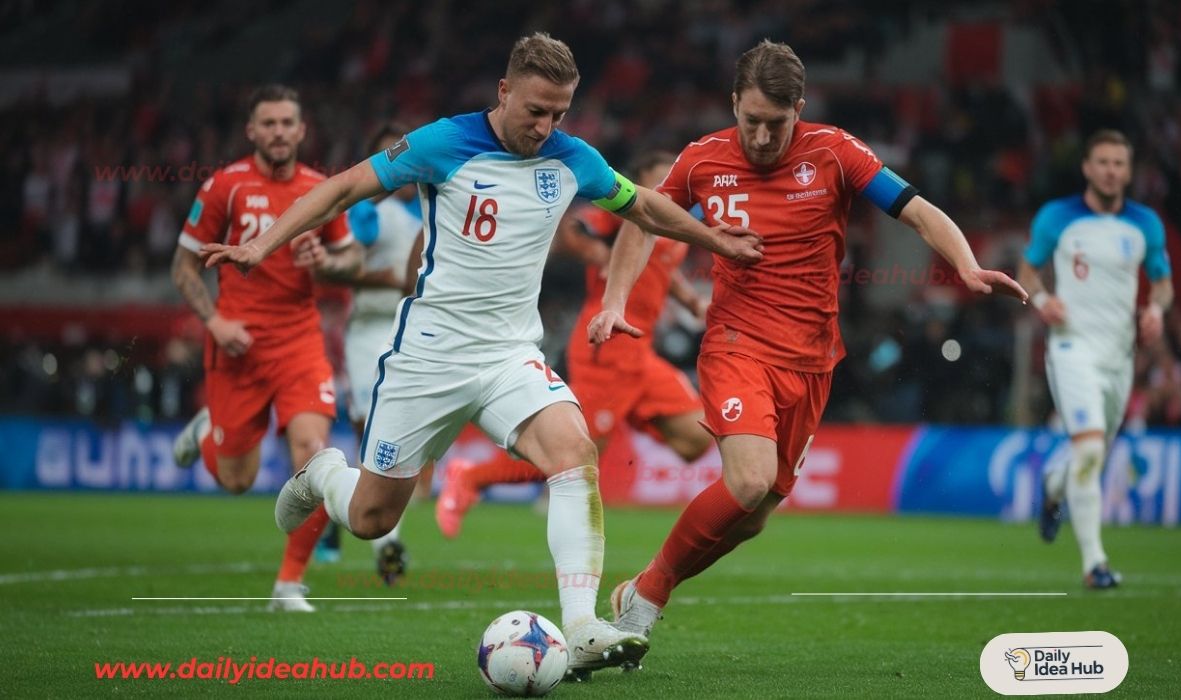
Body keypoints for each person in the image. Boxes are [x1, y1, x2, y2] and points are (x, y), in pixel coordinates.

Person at [200, 33, 763, 675]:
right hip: (428, 358)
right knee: (372, 519)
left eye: (559, 113)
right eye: (535, 111)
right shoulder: (443, 143)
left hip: (509, 354)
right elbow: (341, 189)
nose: (546, 126)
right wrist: (261, 245)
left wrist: (715, 239)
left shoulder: (572, 158)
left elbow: (647, 207)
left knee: (574, 452)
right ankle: (325, 475)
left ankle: (581, 627)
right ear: (503, 91)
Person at [589, 39, 1027, 651]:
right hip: (737, 343)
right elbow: (644, 220)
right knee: (746, 482)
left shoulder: (835, 152)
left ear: (800, 106)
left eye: (777, 123)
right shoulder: (702, 159)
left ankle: (641, 588)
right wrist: (614, 303)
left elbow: (918, 211)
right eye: (751, 121)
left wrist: (969, 267)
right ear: (733, 103)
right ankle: (649, 598)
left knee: (755, 514)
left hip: (813, 359)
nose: (763, 137)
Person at [434, 150, 712, 539]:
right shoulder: (627, 213)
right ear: (641, 180)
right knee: (576, 451)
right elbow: (573, 225)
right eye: (658, 178)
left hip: (640, 354)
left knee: (696, 437)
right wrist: (596, 252)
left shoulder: (671, 226)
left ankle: (624, 412)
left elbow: (663, 269)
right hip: (607, 348)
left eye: (671, 177)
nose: (666, 186)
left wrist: (692, 301)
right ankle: (472, 477)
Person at [170, 84, 364, 612]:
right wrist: (214, 321)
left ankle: (288, 585)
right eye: (269, 123)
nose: (279, 132)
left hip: (300, 343)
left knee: (316, 456)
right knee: (237, 479)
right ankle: (209, 430)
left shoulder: (321, 189)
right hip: (237, 346)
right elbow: (183, 267)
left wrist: (325, 264)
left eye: (287, 123)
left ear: (302, 131)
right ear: (252, 131)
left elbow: (354, 264)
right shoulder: (224, 186)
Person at [1019, 129, 1173, 589]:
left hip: (1119, 357)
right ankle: (1095, 564)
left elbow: (1163, 283)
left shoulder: (1145, 224)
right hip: (1071, 349)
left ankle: (1052, 487)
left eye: (1119, 163)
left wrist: (1156, 310)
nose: (1111, 171)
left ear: (1129, 171)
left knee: (1093, 453)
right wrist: (1043, 299)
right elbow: (1027, 270)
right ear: (1087, 167)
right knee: (1088, 448)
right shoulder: (1058, 217)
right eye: (1102, 162)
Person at [315, 121, 427, 580]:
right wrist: (384, 279)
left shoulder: (431, 210)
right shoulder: (366, 213)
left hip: (417, 329)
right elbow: (336, 269)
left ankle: (335, 508)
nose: (396, 164)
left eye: (403, 154)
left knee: (403, 436)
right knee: (371, 428)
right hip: (369, 330)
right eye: (387, 155)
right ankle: (388, 543)